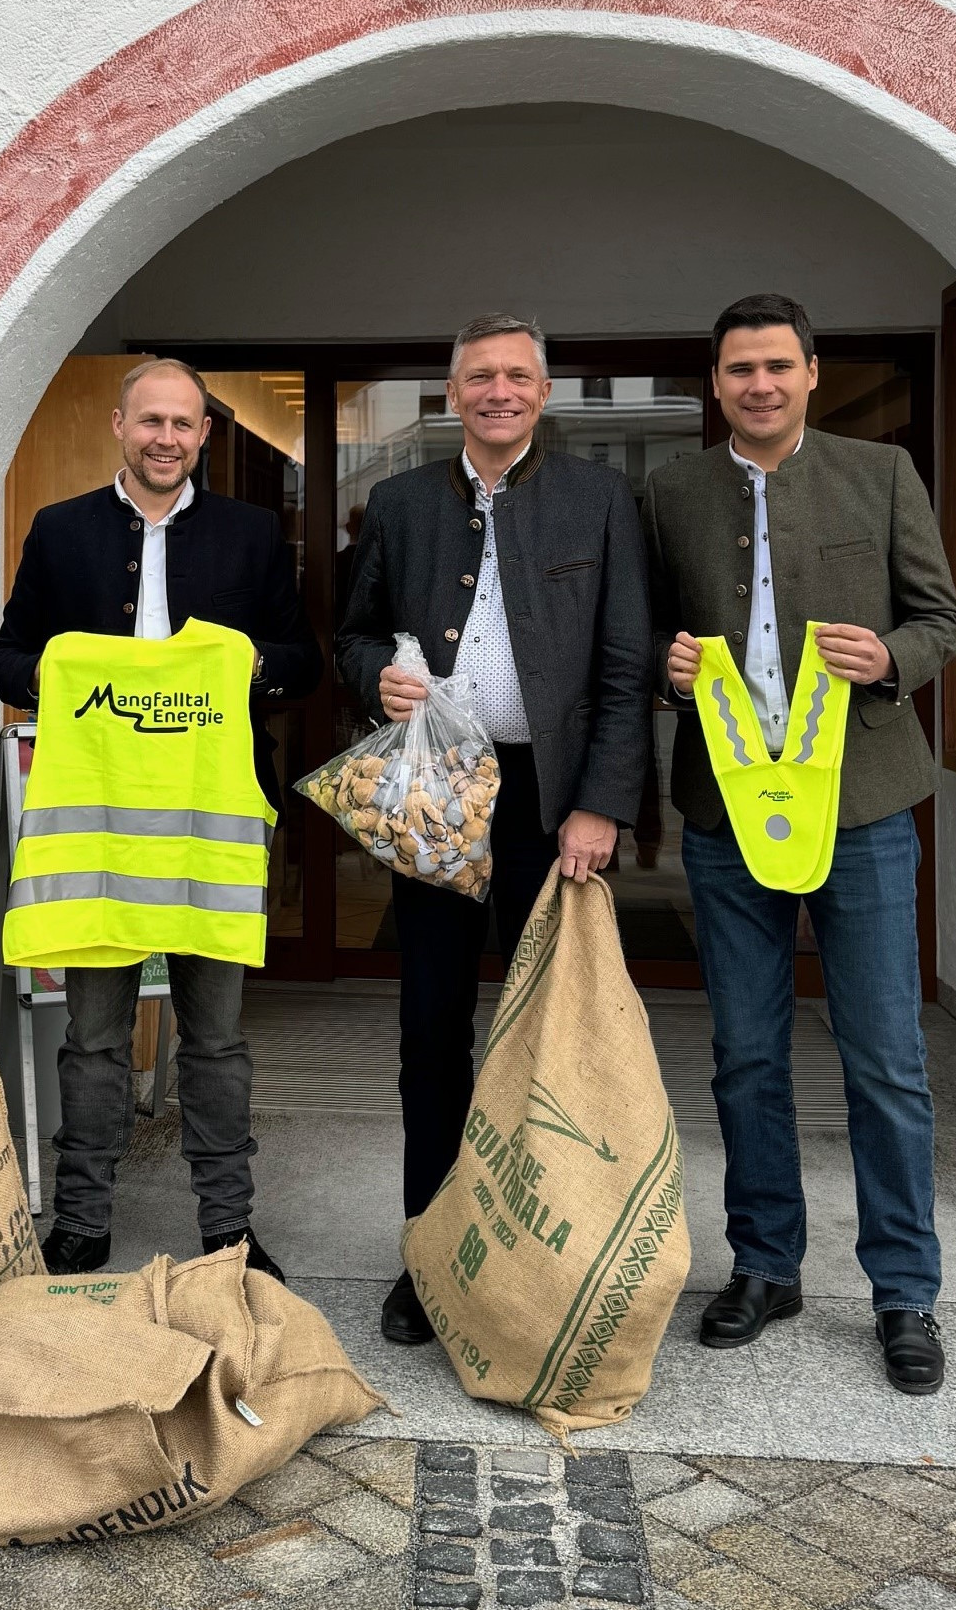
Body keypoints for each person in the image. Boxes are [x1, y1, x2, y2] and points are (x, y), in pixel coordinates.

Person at [641, 292, 956, 1396]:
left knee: (884, 1058)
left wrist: (891, 657)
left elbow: (944, 620)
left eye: (779, 366)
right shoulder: (672, 487)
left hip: (863, 802)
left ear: (813, 373)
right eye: (740, 369)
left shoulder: (880, 475)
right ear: (717, 382)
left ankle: (904, 1293)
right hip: (727, 806)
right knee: (744, 1051)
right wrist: (662, 668)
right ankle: (766, 1264)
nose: (761, 384)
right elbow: (639, 630)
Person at [334, 313, 652, 1347]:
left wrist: (600, 802)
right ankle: (429, 1251)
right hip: (437, 789)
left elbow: (623, 667)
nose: (500, 391)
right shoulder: (399, 502)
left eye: (518, 375)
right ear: (453, 390)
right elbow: (352, 632)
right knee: (432, 1030)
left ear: (543, 390)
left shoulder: (602, 500)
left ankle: (528, 1255)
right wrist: (368, 676)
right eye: (481, 376)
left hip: (551, 801)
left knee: (542, 1043)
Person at [0, 357, 321, 1281]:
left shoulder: (253, 535)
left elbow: (304, 659)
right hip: (96, 834)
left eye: (183, 424)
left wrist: (247, 666)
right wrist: (61, 665)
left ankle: (229, 1230)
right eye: (150, 422)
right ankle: (83, 1221)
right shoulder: (62, 533)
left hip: (209, 833)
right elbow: (7, 657)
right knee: (94, 1041)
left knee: (217, 1042)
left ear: (205, 433)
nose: (166, 438)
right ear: (118, 425)